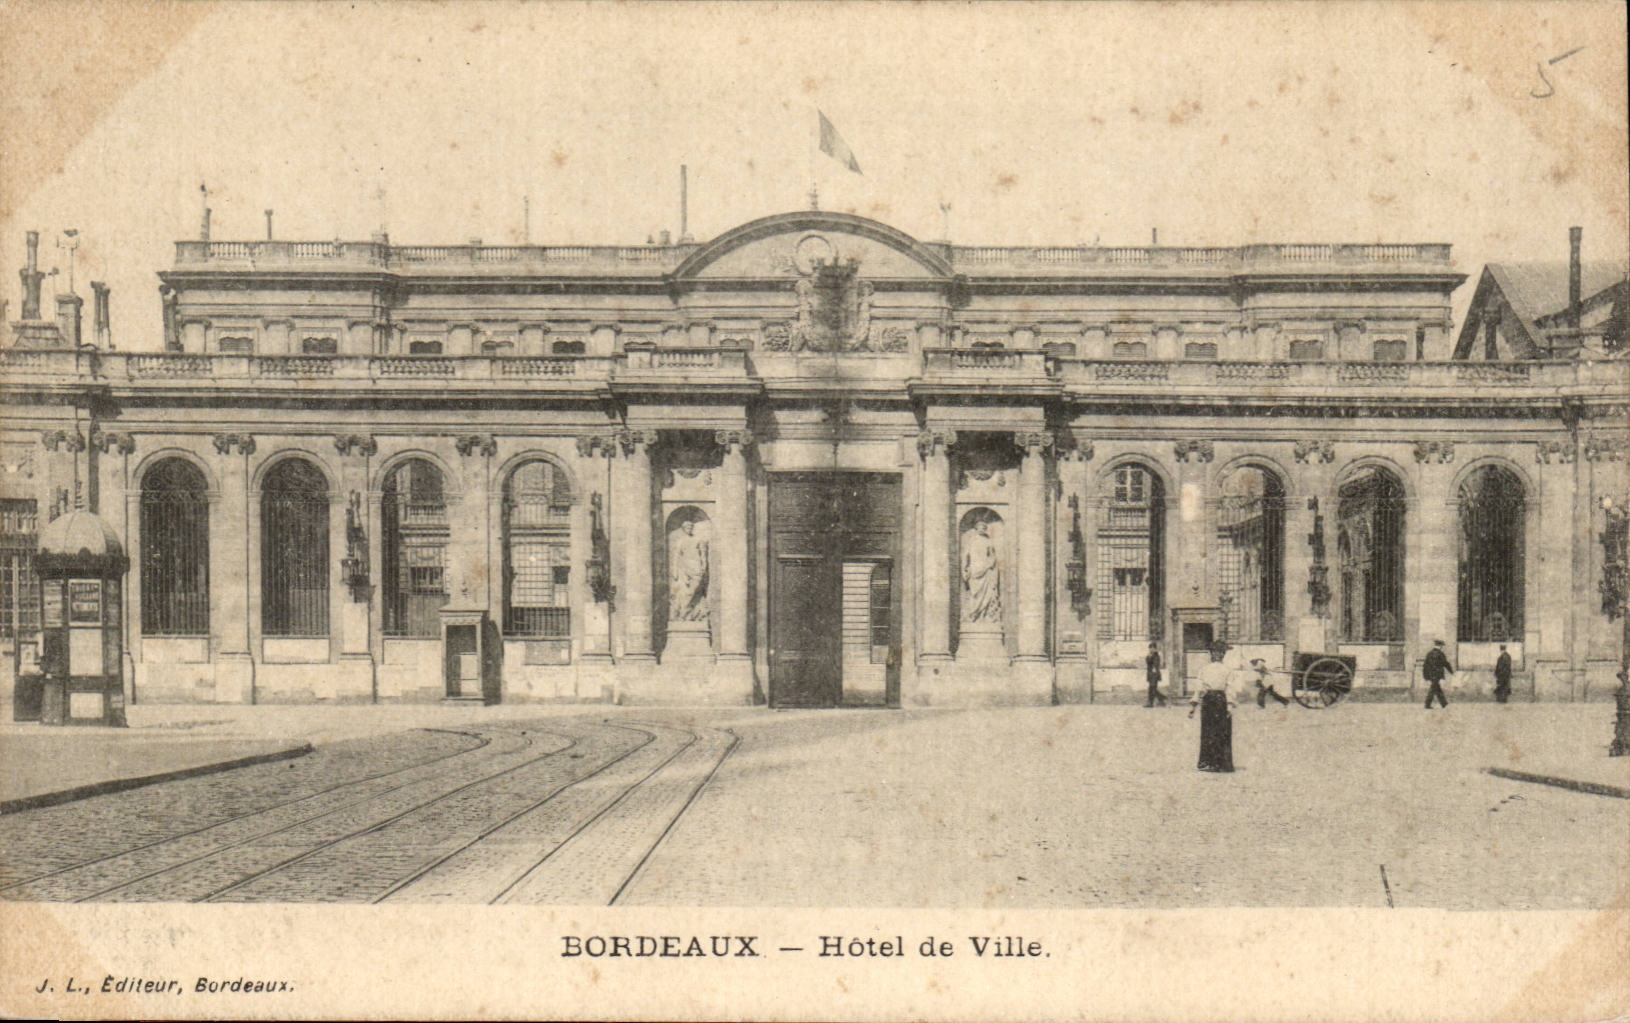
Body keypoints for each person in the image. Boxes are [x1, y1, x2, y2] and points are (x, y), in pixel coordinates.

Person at [1188, 642, 1236, 772]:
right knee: (1213, 731)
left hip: (1216, 700)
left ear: (1222, 655)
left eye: (1219, 652)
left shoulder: (1222, 670)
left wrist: (1230, 706)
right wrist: (1194, 705)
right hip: (1216, 700)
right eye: (1215, 652)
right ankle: (1213, 763)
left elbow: (1229, 689)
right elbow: (1200, 688)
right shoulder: (1208, 669)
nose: (1217, 655)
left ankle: (1213, 762)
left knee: (1215, 731)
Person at [962, 519, 1001, 622]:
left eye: (984, 527)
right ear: (976, 528)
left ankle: (984, 616)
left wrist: (990, 564)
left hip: (985, 568)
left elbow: (992, 556)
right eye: (980, 527)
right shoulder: (971, 540)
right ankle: (973, 615)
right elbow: (966, 555)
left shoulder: (988, 541)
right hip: (974, 569)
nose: (982, 529)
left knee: (987, 594)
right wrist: (964, 568)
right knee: (974, 594)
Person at [1423, 638, 1454, 709]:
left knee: (1436, 688)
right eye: (1442, 646)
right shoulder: (1440, 654)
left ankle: (1444, 703)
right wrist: (1451, 672)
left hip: (1431, 674)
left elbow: (1425, 665)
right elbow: (1445, 664)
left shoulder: (1429, 654)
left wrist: (1425, 675)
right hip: (1437, 674)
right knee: (1433, 689)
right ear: (1440, 646)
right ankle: (1427, 704)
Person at [1144, 641, 1168, 707]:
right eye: (1150, 648)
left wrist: (1154, 668)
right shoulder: (1149, 655)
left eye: (1152, 648)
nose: (1151, 649)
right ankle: (1162, 698)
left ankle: (1150, 703)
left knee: (1152, 688)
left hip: (1154, 674)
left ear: (1155, 649)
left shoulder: (1156, 655)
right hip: (1150, 674)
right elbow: (1147, 662)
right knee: (1153, 688)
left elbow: (1156, 664)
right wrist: (1149, 656)